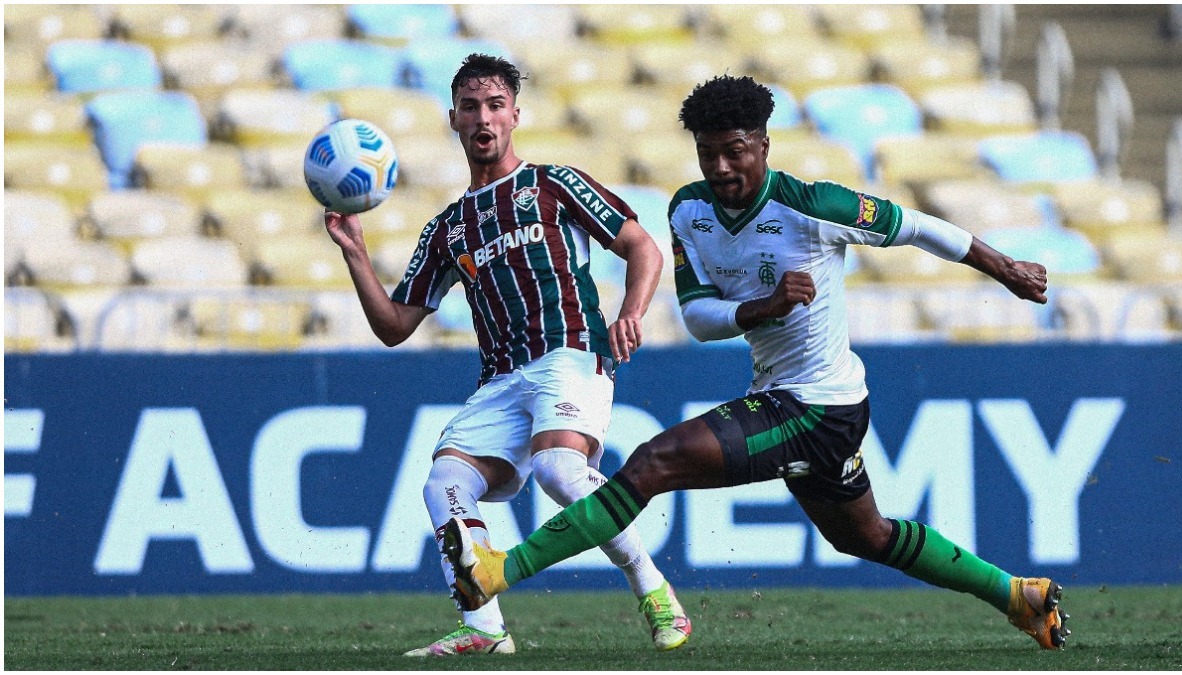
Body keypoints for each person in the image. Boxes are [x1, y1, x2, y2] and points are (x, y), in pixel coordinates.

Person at [440, 75, 1071, 651]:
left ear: (763, 145)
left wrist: (1006, 269)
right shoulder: (689, 210)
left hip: (818, 404)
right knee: (865, 536)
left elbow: (917, 227)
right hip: (795, 400)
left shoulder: (810, 206)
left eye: (735, 152)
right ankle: (1018, 596)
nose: (720, 168)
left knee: (653, 463)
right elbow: (698, 317)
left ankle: (500, 570)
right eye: (708, 154)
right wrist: (763, 307)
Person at [324, 54, 691, 656]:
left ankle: (654, 592)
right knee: (443, 481)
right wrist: (356, 256)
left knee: (558, 471)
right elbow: (394, 326)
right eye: (471, 107)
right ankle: (484, 629)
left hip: (570, 354)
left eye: (495, 105)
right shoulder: (448, 229)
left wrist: (631, 313)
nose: (483, 117)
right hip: (500, 382)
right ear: (453, 119)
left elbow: (642, 248)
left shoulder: (555, 184)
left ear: (515, 115)